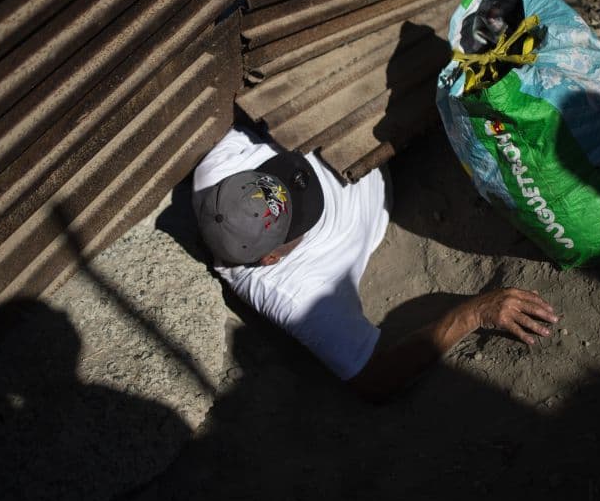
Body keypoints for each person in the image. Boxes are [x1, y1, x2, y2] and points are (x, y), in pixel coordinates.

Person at [192, 125, 559, 402]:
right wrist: (473, 314)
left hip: (360, 131)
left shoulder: (217, 173)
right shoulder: (294, 296)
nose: (301, 186)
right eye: (300, 218)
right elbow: (377, 379)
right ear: (271, 257)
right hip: (393, 168)